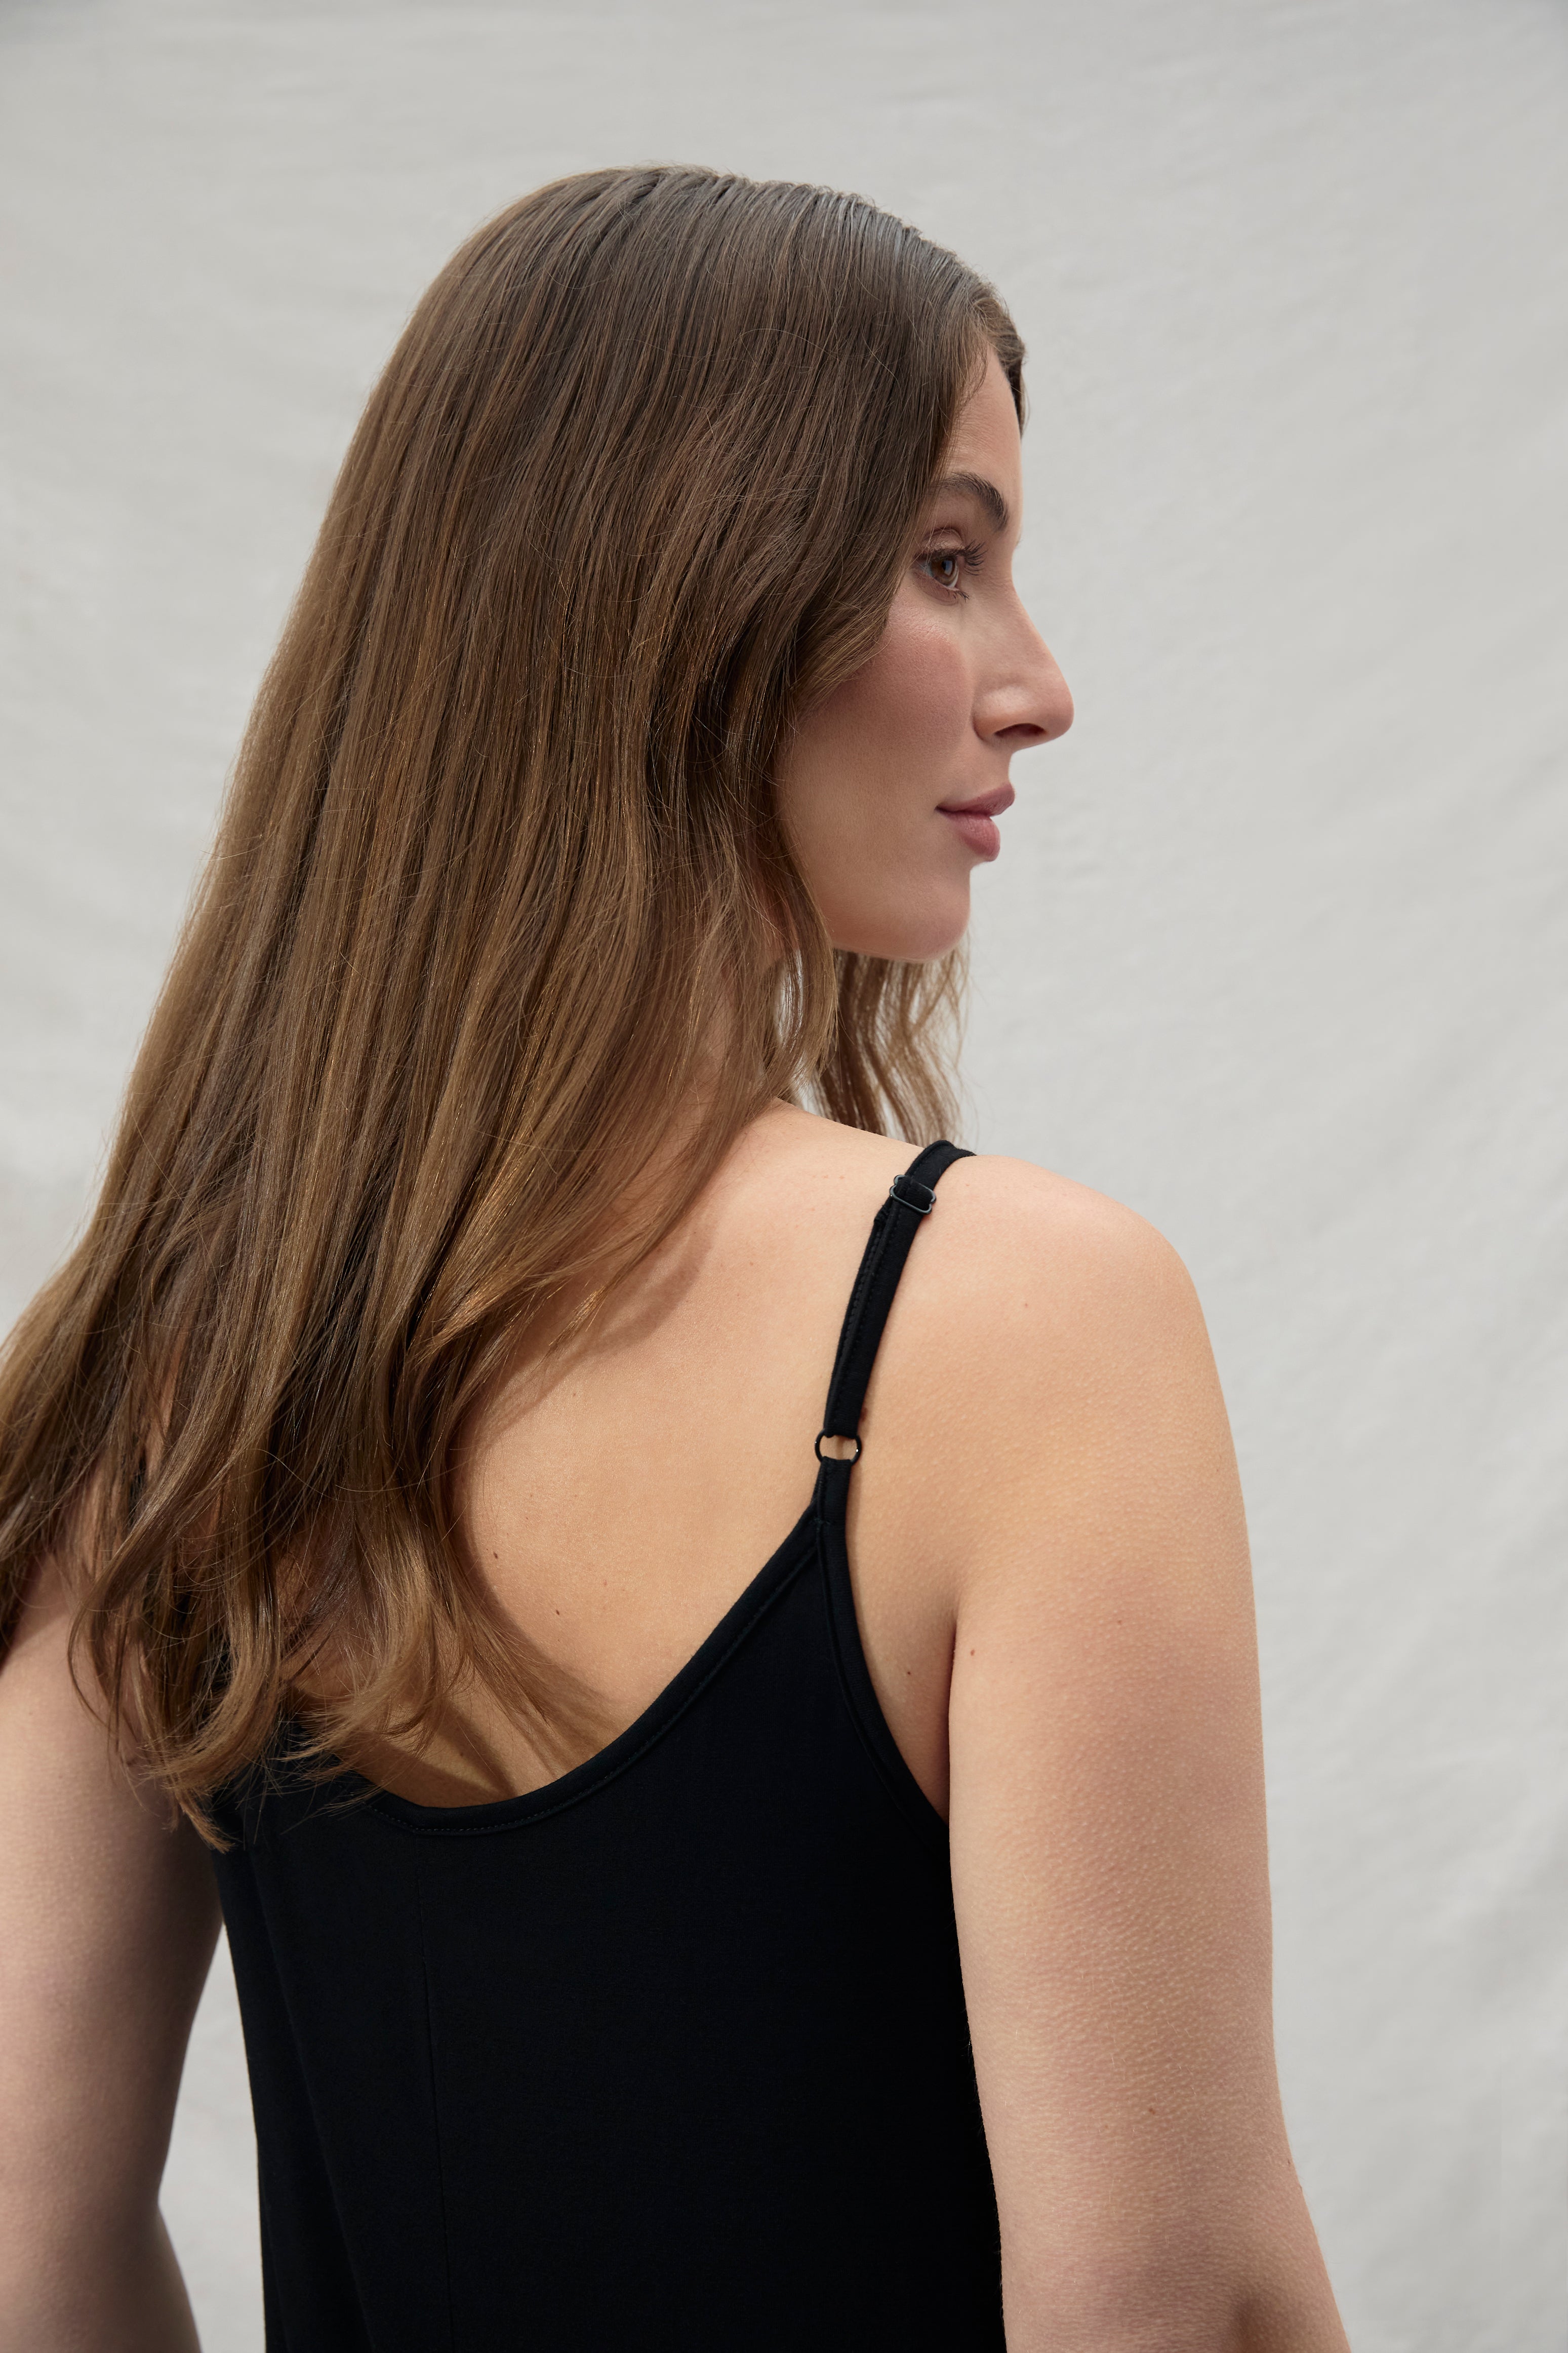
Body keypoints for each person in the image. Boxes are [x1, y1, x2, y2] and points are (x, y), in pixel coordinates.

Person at [0, 166, 1349, 2351]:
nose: (1038, 686)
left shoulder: (174, 1367)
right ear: (681, 599)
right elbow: (1166, 2298)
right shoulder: (1017, 1321)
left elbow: (25, 2245)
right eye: (946, 561)